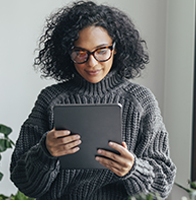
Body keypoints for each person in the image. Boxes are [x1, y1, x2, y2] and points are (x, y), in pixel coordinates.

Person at [10, 1, 176, 199]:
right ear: (67, 52)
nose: (92, 62)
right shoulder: (51, 99)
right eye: (80, 52)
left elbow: (162, 184)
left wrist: (133, 169)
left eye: (101, 51)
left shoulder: (141, 101)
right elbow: (23, 181)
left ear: (115, 48)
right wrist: (45, 152)